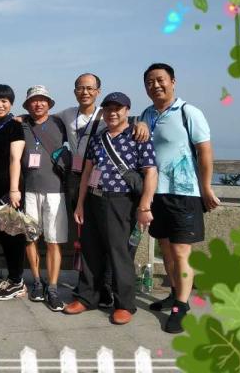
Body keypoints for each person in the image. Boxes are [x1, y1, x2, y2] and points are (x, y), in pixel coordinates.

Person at [64, 92, 157, 325]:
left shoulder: (138, 136)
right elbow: (87, 171)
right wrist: (80, 204)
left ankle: (124, 304)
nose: (112, 113)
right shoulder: (98, 138)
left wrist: (145, 205)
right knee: (90, 250)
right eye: (108, 109)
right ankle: (87, 297)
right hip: (93, 199)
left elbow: (151, 172)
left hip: (121, 201)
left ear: (127, 111)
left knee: (119, 253)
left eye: (118, 109)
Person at [140, 63, 219, 333]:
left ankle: (182, 307)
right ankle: (174, 294)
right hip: (156, 192)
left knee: (181, 252)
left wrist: (205, 187)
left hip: (184, 193)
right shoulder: (147, 114)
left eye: (160, 80)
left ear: (173, 81)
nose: (155, 85)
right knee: (166, 249)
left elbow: (205, 151)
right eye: (149, 82)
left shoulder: (189, 112)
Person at [21, 85, 69, 312]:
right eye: (34, 100)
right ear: (27, 105)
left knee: (53, 240)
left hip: (56, 191)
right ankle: (37, 282)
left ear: (49, 103)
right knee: (30, 238)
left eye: (42, 100)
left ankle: (53, 287)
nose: (38, 103)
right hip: (29, 191)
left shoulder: (60, 123)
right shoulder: (21, 124)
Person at [0, 85, 27, 300]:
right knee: (2, 235)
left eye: (4, 101)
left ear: (11, 103)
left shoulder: (14, 126)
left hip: (8, 190)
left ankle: (17, 281)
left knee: (13, 236)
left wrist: (14, 189)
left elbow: (15, 159)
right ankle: (12, 277)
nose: (0, 105)